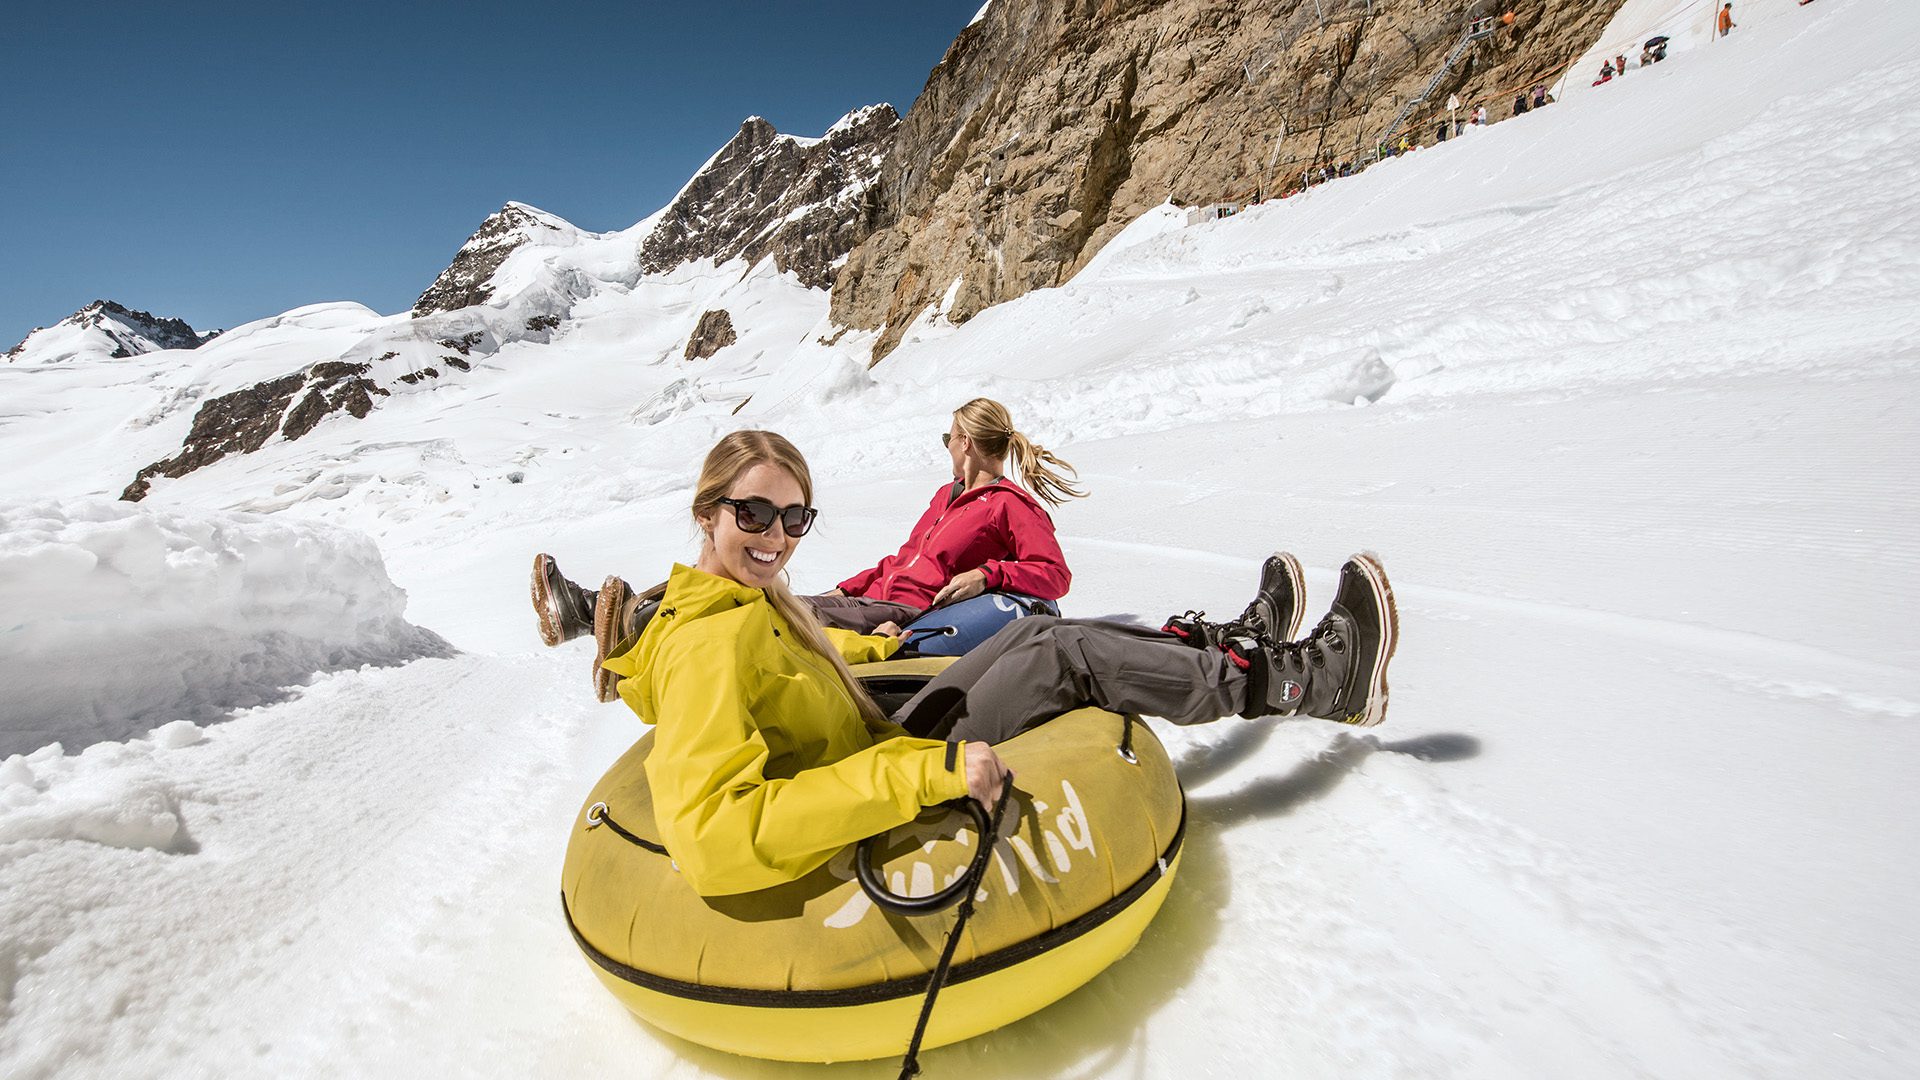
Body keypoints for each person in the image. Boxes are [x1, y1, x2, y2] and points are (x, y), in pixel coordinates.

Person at [604, 430, 1400, 897]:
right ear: (707, 513)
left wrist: (881, 645)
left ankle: (1235, 644)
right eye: (753, 513)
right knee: (1061, 650)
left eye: (794, 516)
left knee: (1023, 641)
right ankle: (1305, 683)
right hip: (879, 775)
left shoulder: (743, 599)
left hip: (874, 735)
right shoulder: (709, 639)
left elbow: (791, 666)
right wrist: (924, 776)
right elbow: (714, 835)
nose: (775, 536)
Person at [534, 398, 1085, 700]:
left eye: (948, 438)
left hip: (912, 611)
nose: (946, 448)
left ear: (963, 441)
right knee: (761, 599)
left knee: (762, 612)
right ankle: (623, 632)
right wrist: (853, 585)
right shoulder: (947, 496)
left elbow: (1053, 575)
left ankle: (611, 621)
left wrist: (988, 576)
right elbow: (904, 557)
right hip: (879, 593)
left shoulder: (1011, 504)